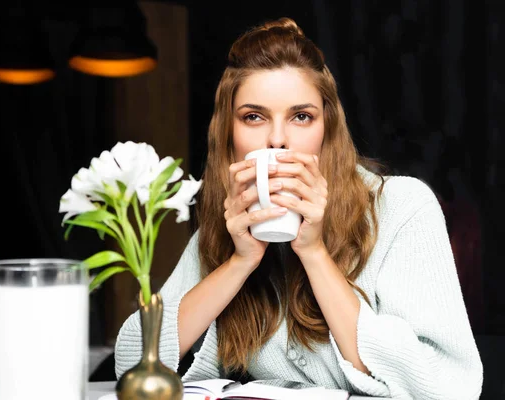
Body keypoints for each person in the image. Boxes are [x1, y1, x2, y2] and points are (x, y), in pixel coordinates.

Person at [114, 17, 483, 399]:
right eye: (253, 117)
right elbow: (133, 363)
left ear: (328, 129)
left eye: (301, 116)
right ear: (229, 134)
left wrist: (313, 251)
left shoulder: (401, 207)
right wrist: (240, 261)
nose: (277, 140)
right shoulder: (231, 220)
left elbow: (448, 388)